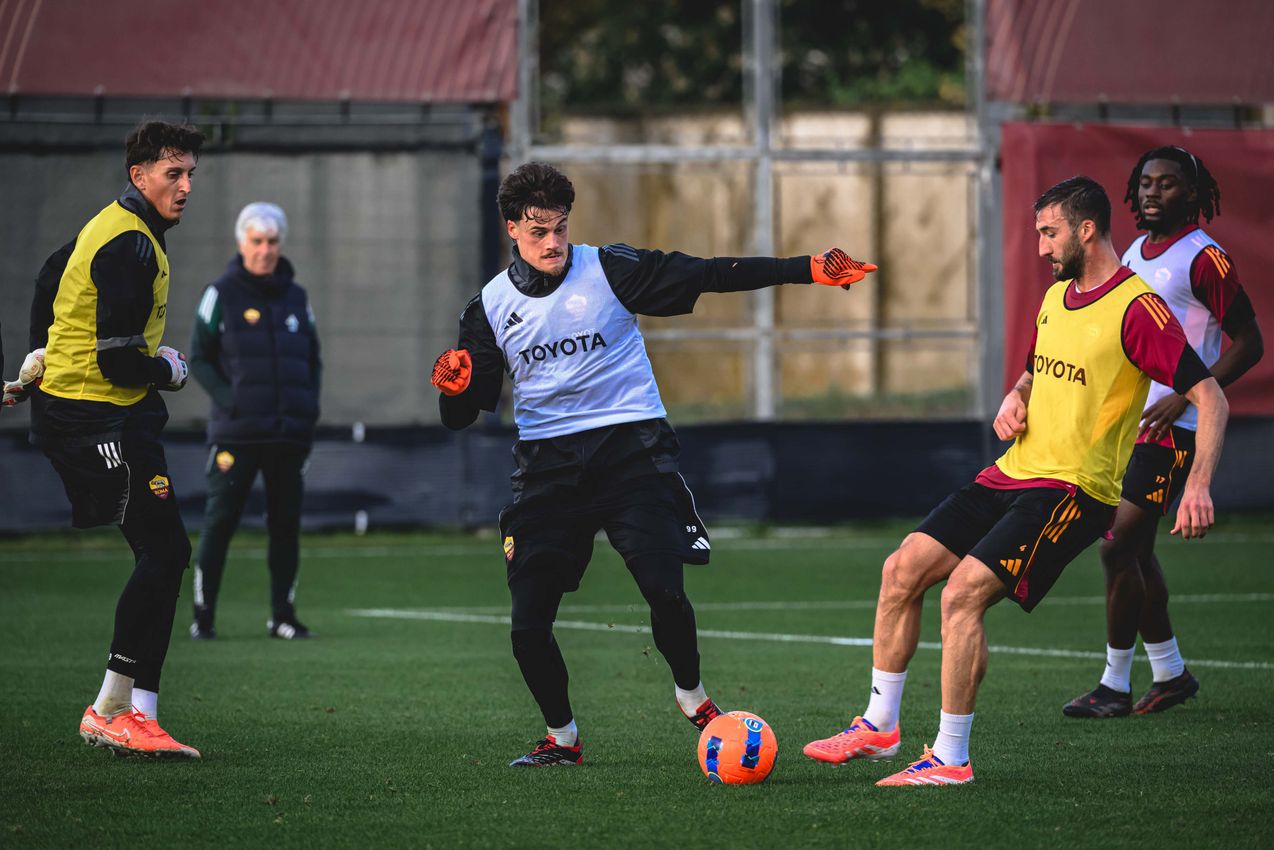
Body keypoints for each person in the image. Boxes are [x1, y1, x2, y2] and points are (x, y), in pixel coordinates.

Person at [430, 161, 877, 767]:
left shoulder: (610, 269)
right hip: (547, 471)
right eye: (539, 232)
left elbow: (710, 273)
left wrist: (807, 269)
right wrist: (454, 390)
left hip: (631, 454)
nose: (554, 243)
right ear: (512, 229)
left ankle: (693, 698)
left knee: (665, 590)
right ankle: (562, 739)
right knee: (527, 627)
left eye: (561, 228)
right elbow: (460, 417)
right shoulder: (487, 308)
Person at [802, 176, 1228, 787]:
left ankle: (951, 759)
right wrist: (1016, 394)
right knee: (902, 569)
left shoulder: (1137, 310)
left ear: (1086, 230)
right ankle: (879, 726)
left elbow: (1210, 398)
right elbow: (1035, 374)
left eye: (1048, 233)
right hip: (1012, 472)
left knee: (962, 594)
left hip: (1074, 490)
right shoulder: (1057, 297)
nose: (1040, 247)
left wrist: (1199, 484)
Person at [19, 120, 205, 757]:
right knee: (164, 551)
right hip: (94, 416)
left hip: (107, 410)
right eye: (172, 174)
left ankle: (137, 713)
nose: (184, 187)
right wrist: (169, 370)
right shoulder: (129, 244)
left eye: (189, 175)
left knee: (168, 552)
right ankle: (109, 711)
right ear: (139, 176)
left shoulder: (118, 224)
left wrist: (42, 350)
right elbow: (122, 364)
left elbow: (50, 276)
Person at [1063, 147, 1262, 718]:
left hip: (1179, 430)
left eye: (1168, 185)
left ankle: (1114, 686)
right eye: (1146, 183)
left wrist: (1185, 392)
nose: (1152, 193)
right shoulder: (1132, 252)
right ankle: (1171, 674)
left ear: (1194, 196)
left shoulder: (1205, 260)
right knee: (1136, 551)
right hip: (1133, 428)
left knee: (1119, 547)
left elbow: (1250, 343)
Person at [187, 202, 322, 641]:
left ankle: (282, 616)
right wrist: (233, 402)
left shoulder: (297, 296)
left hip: (288, 435)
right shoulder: (220, 294)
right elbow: (200, 359)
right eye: (257, 242)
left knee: (285, 526)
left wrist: (308, 411)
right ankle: (203, 618)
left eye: (272, 242)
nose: (265, 250)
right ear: (242, 243)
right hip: (237, 435)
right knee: (220, 523)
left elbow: (313, 359)